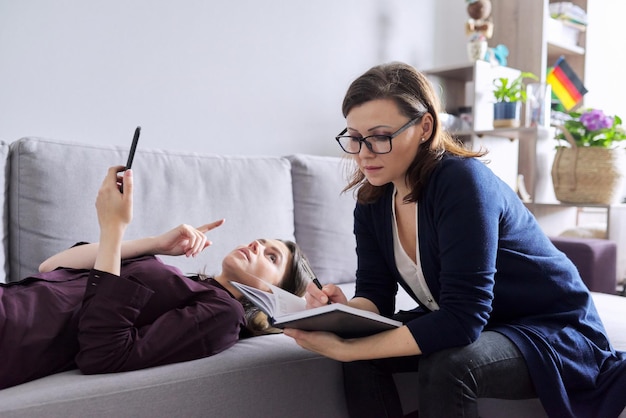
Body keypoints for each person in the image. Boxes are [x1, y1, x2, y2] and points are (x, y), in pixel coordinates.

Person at [284, 62, 626, 418]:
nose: (364, 152)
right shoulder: (372, 201)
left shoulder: (462, 182)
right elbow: (375, 296)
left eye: (380, 136)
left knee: (448, 363)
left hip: (550, 328)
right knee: (363, 352)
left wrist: (347, 350)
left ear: (424, 127)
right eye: (354, 137)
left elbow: (462, 320)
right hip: (486, 322)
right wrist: (340, 312)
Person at [0, 166, 311, 390]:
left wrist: (113, 228)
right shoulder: (187, 282)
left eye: (272, 257)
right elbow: (52, 266)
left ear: (274, 295)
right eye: (262, 241)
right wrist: (155, 244)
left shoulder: (223, 314)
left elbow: (103, 353)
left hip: (13, 334)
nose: (257, 245)